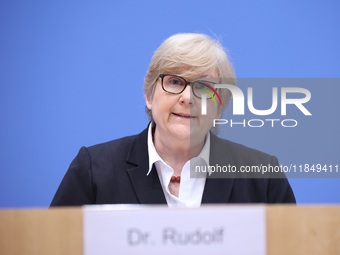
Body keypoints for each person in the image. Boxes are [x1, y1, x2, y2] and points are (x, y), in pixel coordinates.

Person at [50, 33, 295, 207]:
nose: (188, 98)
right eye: (175, 82)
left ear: (220, 106)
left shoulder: (263, 176)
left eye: (204, 86)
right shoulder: (94, 170)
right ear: (149, 94)